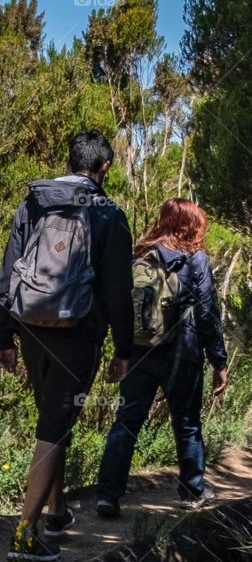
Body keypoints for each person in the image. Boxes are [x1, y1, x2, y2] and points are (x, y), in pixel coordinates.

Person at [0, 130, 134, 562]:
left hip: (31, 325)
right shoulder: (108, 213)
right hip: (78, 331)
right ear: (103, 167)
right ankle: (24, 534)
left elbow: (7, 273)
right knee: (56, 424)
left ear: (71, 161)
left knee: (53, 419)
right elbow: (117, 292)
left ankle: (56, 511)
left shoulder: (34, 202)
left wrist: (3, 335)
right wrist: (123, 349)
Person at [96, 198, 228, 515]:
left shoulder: (139, 254)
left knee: (125, 424)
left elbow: (118, 305)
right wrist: (219, 361)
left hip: (138, 353)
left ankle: (108, 496)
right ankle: (193, 490)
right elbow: (208, 314)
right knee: (187, 424)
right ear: (189, 226)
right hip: (183, 353)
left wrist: (119, 350)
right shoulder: (194, 259)